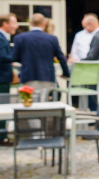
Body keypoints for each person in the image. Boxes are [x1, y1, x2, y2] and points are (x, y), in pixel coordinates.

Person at [13, 13, 69, 95]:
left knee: (28, 101)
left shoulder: (20, 38)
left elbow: (14, 57)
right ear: (44, 24)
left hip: (27, 75)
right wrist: (66, 73)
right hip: (46, 75)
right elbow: (61, 58)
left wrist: (26, 60)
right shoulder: (52, 39)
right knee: (44, 103)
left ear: (30, 23)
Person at [0, 13, 16, 143]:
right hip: (2, 78)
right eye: (14, 23)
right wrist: (16, 56)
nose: (16, 26)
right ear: (5, 24)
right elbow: (2, 57)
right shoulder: (0, 38)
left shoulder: (3, 37)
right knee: (2, 107)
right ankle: (2, 137)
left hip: (3, 77)